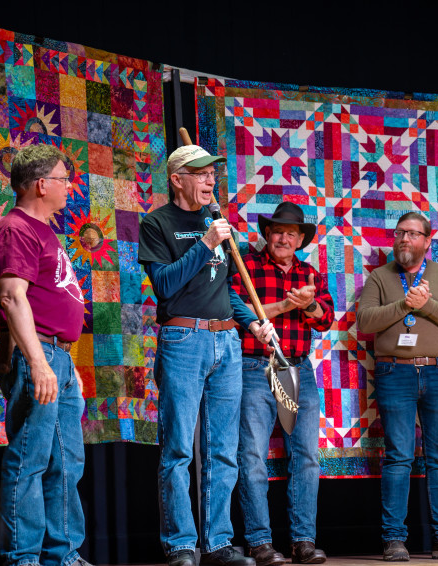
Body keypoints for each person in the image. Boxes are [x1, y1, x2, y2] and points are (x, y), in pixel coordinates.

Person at [138, 144, 275, 566]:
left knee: (222, 448)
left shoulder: (216, 222)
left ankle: (217, 543)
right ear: (177, 179)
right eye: (199, 173)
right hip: (183, 340)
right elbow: (165, 284)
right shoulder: (157, 223)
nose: (209, 180)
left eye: (212, 173)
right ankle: (181, 544)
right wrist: (204, 243)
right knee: (179, 447)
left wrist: (252, 321)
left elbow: (225, 289)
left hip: (227, 341)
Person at [0, 144, 93, 566]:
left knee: (67, 463)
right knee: (29, 459)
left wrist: (66, 366)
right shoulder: (16, 229)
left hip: (58, 358)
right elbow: (13, 298)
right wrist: (38, 362)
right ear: (41, 184)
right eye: (64, 178)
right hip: (41, 357)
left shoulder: (45, 230)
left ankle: (63, 554)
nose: (70, 186)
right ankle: (24, 558)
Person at [356, 212, 438, 562]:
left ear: (427, 240)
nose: (403, 239)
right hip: (395, 373)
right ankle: (394, 539)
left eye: (412, 234)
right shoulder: (380, 276)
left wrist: (428, 305)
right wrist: (404, 305)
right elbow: (365, 321)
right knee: (398, 457)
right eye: (399, 233)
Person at [232, 202, 334, 566]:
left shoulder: (310, 273)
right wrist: (283, 307)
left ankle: (303, 541)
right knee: (252, 456)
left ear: (301, 239)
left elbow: (325, 320)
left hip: (297, 370)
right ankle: (260, 542)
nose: (284, 238)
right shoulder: (247, 267)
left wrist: (307, 306)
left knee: (306, 457)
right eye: (278, 231)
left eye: (292, 233)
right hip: (255, 367)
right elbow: (235, 311)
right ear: (268, 234)